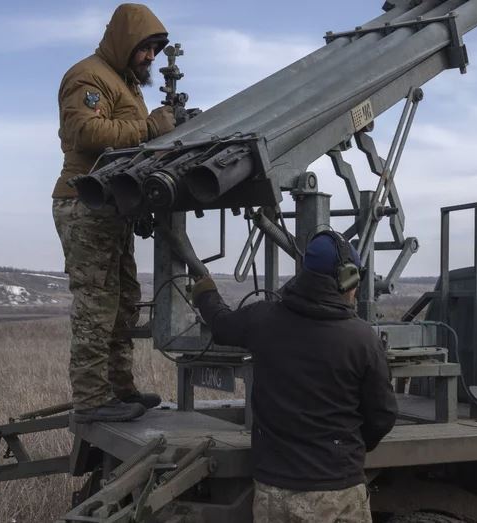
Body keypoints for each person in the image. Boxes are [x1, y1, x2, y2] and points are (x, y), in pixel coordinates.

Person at [190, 231, 398, 523]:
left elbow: (222, 325)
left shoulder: (264, 320)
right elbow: (383, 415)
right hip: (337, 490)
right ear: (347, 279)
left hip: (274, 490)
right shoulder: (363, 339)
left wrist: (205, 293)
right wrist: (344, 448)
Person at [52, 3, 177, 423]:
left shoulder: (124, 84)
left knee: (123, 300)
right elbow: (83, 132)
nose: (151, 59)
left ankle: (119, 390)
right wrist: (149, 128)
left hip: (111, 206)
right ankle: (91, 401)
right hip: (84, 202)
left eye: (156, 52)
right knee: (97, 302)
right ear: (126, 42)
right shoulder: (88, 77)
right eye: (145, 49)